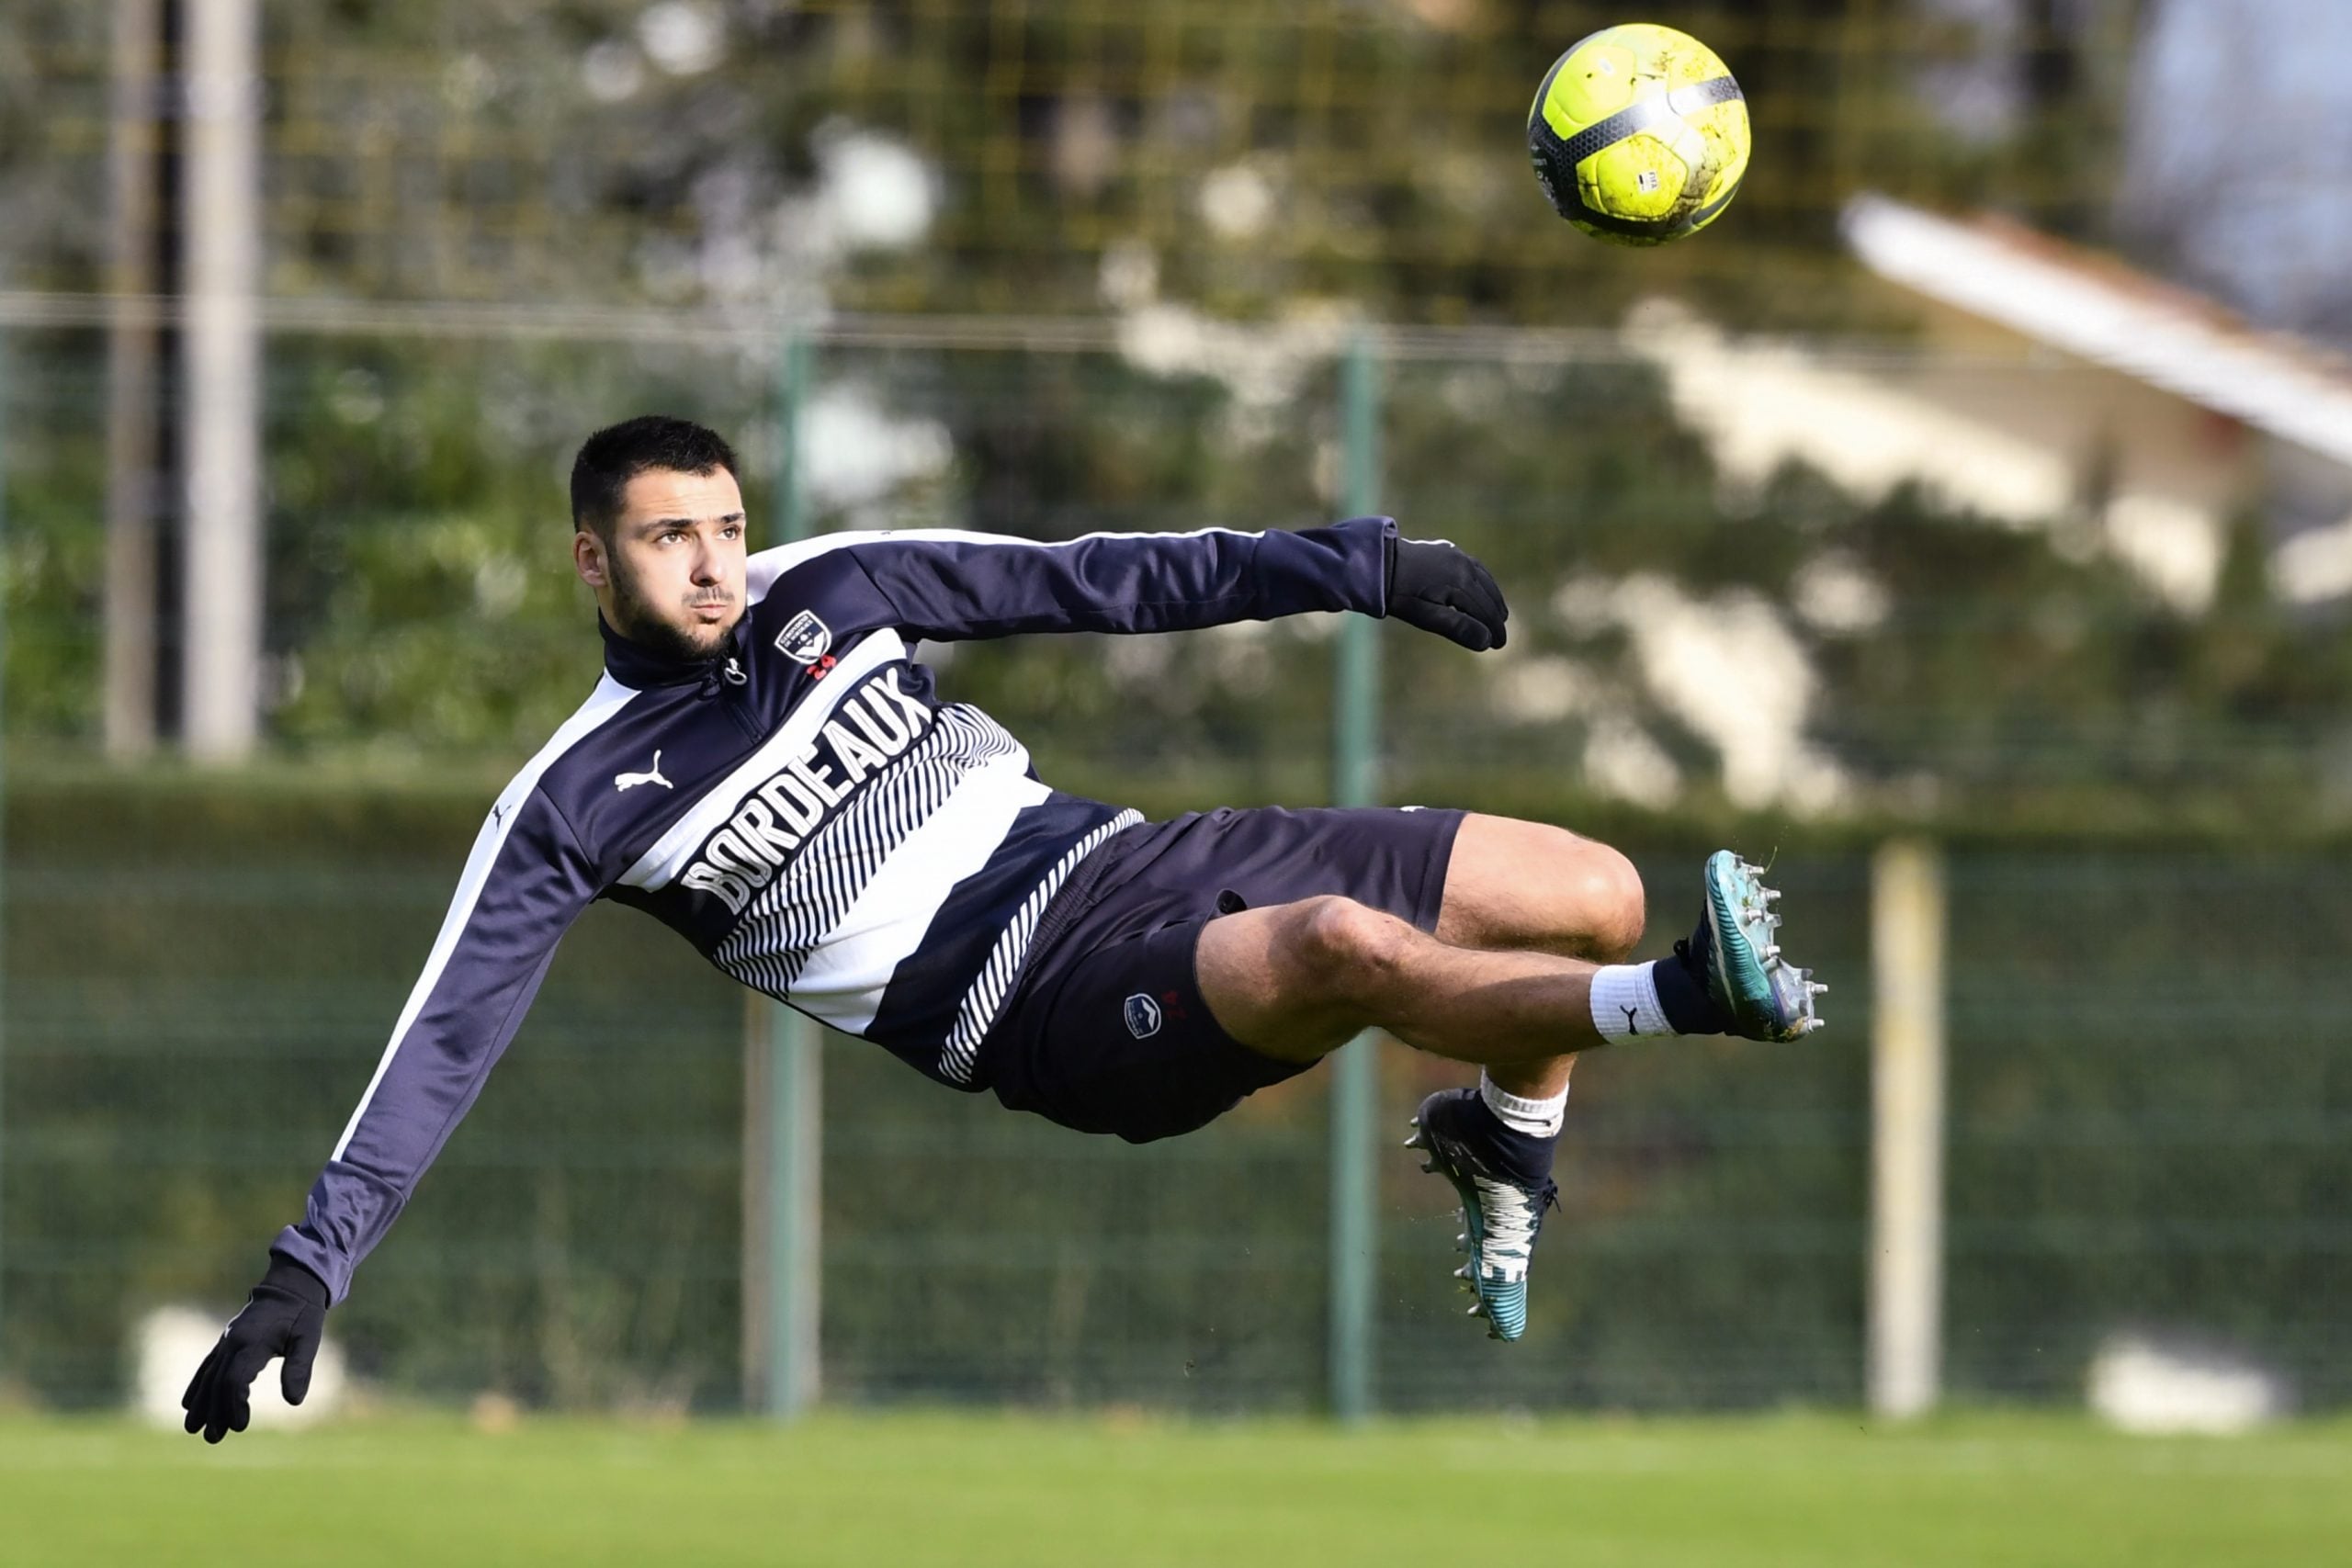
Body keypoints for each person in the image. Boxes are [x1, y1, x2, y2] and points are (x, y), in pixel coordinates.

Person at [181, 414, 1822, 1442]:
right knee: (1341, 948)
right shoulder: (573, 799)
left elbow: (1099, 579)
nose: (713, 564)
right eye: (669, 537)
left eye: (728, 527)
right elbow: (443, 1037)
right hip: (1038, 1013)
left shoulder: (835, 589)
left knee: (1591, 885)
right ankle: (1686, 999)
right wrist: (302, 1273)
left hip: (1141, 863)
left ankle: (1508, 1147)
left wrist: (1355, 563)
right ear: (592, 561)